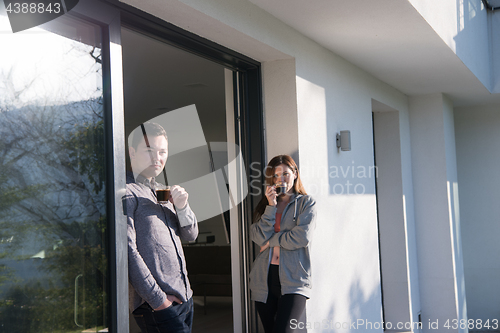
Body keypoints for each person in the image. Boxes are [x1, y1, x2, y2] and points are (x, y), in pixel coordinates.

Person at [126, 122, 198, 333]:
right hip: (158, 306)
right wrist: (159, 301)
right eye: (149, 151)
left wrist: (183, 207)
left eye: (162, 152)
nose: (157, 158)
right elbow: (128, 252)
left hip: (185, 299)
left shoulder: (161, 191)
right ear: (132, 152)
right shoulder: (127, 192)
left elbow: (191, 234)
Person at [249, 155, 316, 333]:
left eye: (285, 173)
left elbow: (302, 237)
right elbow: (257, 236)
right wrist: (271, 205)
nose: (281, 179)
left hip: (293, 278)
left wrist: (271, 241)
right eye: (276, 175)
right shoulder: (265, 205)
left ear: (294, 174)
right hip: (264, 278)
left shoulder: (305, 203)